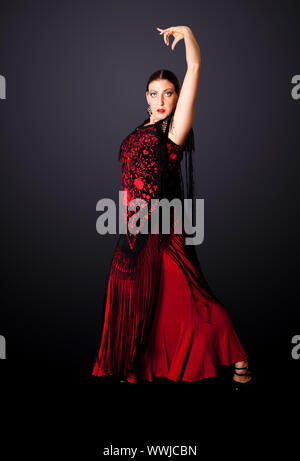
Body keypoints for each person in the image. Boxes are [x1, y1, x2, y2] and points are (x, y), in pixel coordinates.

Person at [91, 26, 253, 388]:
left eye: (168, 93)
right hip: (132, 232)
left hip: (163, 231)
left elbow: (194, 67)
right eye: (154, 93)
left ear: (178, 97)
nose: (160, 100)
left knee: (190, 298)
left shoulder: (173, 130)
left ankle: (238, 354)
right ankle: (136, 367)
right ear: (145, 97)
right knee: (144, 304)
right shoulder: (137, 131)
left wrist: (190, 35)